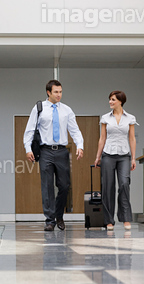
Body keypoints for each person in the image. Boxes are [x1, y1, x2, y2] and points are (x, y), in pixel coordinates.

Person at [24, 80, 84, 231]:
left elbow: (75, 130)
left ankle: (59, 215)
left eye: (61, 92)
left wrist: (80, 145)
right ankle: (50, 220)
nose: (59, 95)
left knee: (64, 186)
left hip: (62, 151)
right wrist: (28, 148)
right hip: (45, 151)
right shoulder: (39, 108)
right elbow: (30, 129)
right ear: (48, 92)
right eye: (56, 92)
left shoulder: (66, 110)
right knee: (47, 186)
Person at [94, 91, 138, 231]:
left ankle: (125, 218)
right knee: (108, 187)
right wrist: (98, 157)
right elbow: (102, 138)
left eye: (113, 100)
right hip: (108, 154)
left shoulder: (130, 118)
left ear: (120, 101)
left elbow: (132, 138)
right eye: (110, 99)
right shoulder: (105, 118)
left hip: (124, 155)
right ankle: (109, 221)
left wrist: (133, 158)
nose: (110, 102)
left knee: (124, 184)